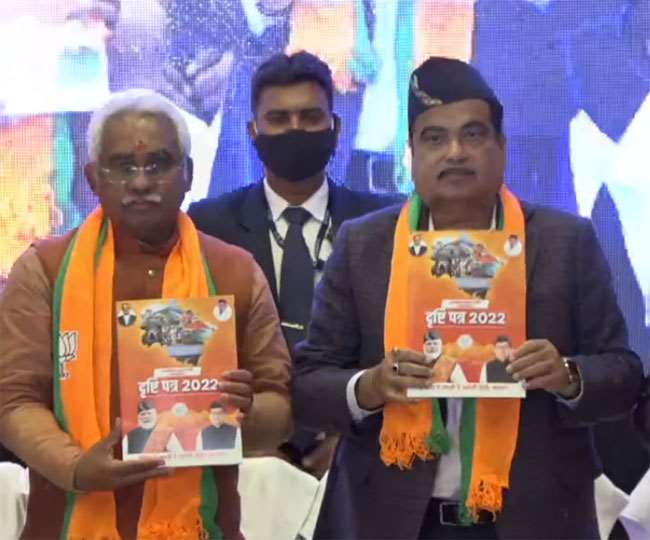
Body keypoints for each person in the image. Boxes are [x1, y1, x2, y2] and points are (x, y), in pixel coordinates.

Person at [292, 57, 644, 539]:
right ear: (411, 153)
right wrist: (368, 387)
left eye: (473, 135)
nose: (455, 152)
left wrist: (567, 375)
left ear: (502, 147)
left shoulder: (566, 241)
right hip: (392, 518)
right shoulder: (363, 245)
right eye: (434, 138)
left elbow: (624, 374)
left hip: (533, 518)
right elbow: (308, 385)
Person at [0, 89, 291, 539]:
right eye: (122, 166)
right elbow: (14, 400)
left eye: (157, 164)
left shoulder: (234, 271)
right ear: (93, 178)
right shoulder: (43, 270)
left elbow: (279, 409)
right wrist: (76, 467)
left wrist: (244, 414)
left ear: (188, 173)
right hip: (66, 523)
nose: (140, 182)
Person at [188, 51, 402, 477]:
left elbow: (399, 344)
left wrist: (348, 439)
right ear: (252, 131)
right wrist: (259, 439)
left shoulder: (385, 224)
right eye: (278, 119)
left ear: (335, 127)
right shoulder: (207, 225)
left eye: (310, 117)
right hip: (246, 458)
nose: (295, 130)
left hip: (361, 455)